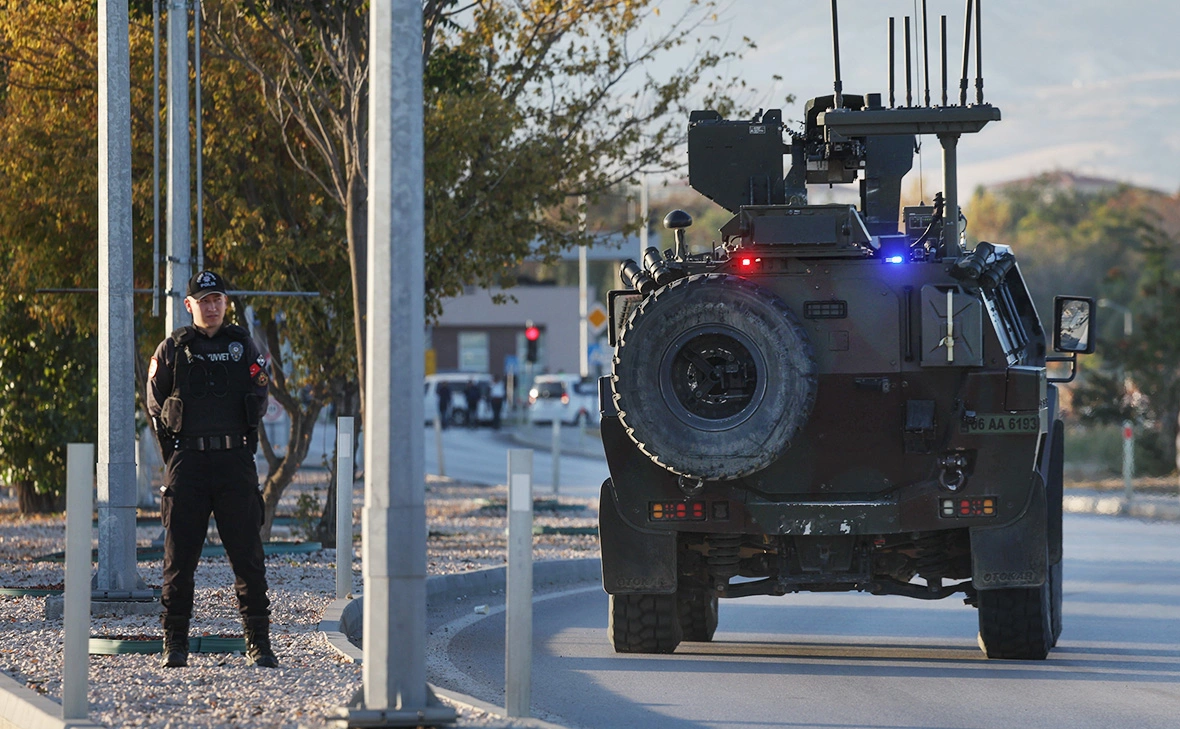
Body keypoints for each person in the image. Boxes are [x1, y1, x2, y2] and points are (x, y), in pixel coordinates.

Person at [147, 271, 278, 669]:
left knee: (248, 557)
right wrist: (175, 460)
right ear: (189, 306)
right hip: (188, 465)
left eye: (217, 299)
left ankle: (259, 643)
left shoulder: (244, 346)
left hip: (234, 463)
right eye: (203, 300)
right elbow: (155, 409)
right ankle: (175, 643)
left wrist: (243, 453)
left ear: (226, 302)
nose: (212, 306)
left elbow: (259, 402)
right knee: (179, 560)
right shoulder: (172, 350)